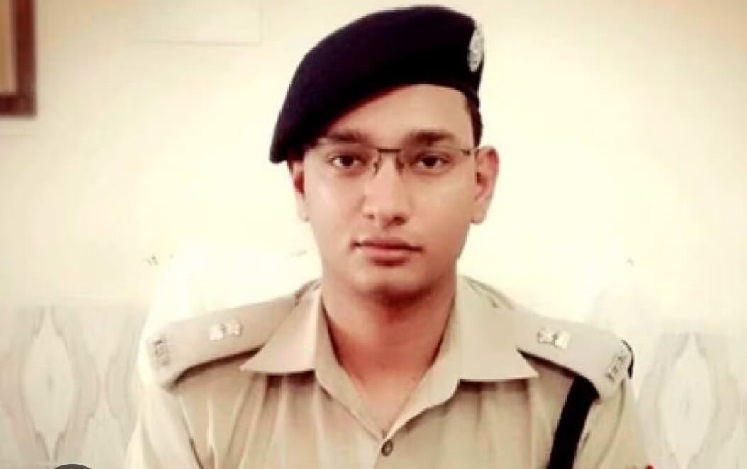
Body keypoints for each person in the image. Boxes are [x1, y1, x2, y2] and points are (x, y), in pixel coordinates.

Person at [124, 5, 651, 469]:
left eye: (429, 161)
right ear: (302, 184)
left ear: (480, 183)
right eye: (347, 160)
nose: (387, 206)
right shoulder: (198, 396)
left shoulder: (577, 398)